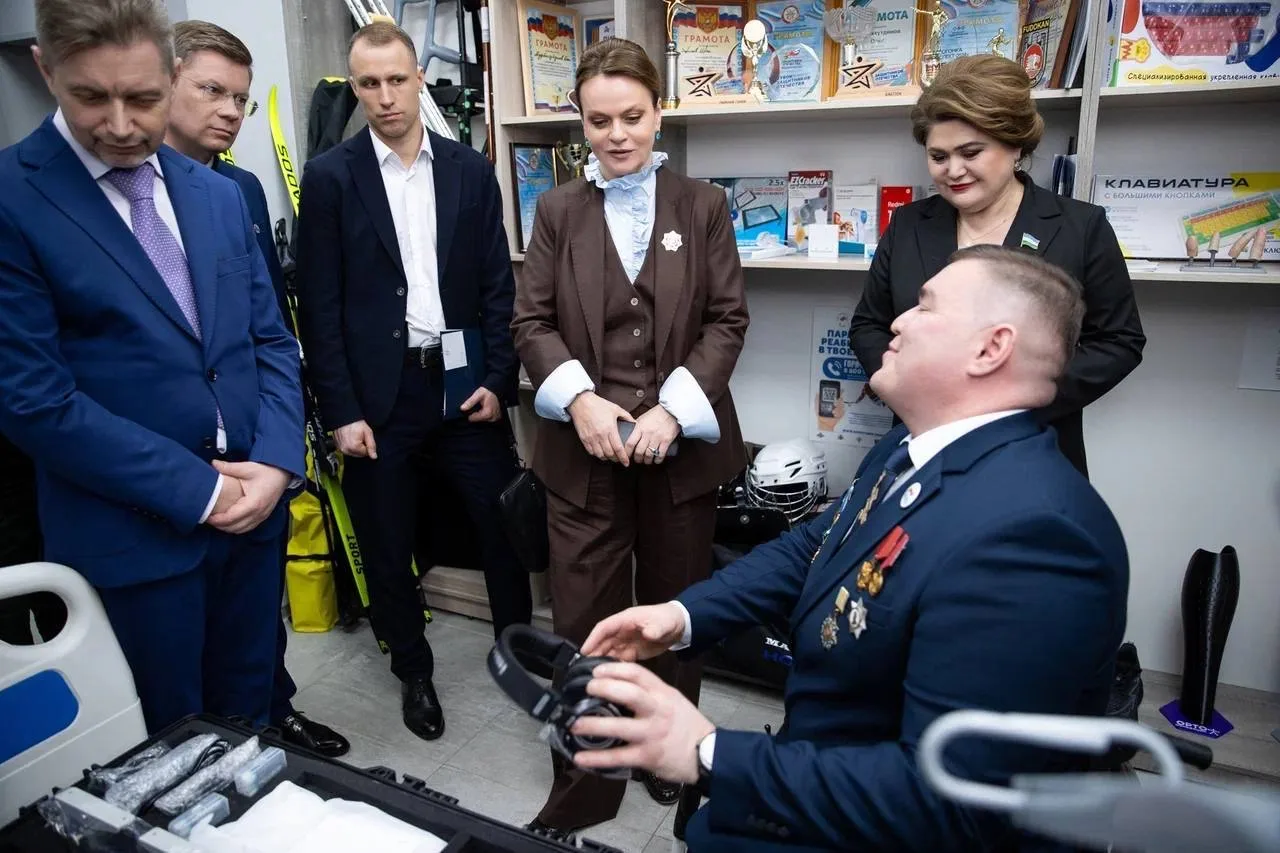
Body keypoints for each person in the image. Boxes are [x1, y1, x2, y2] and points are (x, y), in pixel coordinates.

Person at [573, 247, 1130, 852]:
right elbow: (815, 547)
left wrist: (707, 752)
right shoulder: (907, 450)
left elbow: (952, 805)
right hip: (822, 777)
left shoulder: (1034, 537)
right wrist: (681, 616)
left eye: (925, 307)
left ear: (990, 348)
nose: (898, 320)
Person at [0, 0, 304, 734]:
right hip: (130, 546)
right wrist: (203, 491)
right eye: (90, 96)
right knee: (159, 753)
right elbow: (35, 400)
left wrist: (275, 461)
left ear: (171, 74)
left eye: (142, 97)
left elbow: (269, 340)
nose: (121, 125)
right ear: (45, 69)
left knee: (252, 729)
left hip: (253, 529)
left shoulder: (218, 194)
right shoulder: (12, 198)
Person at [511, 37, 750, 832]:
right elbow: (531, 322)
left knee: (676, 615)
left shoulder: (703, 205)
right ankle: (585, 778)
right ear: (581, 123)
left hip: (679, 455)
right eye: (599, 120)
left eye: (632, 116)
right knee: (582, 621)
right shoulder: (556, 211)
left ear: (659, 114)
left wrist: (671, 410)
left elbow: (726, 320)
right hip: (582, 459)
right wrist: (579, 400)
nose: (616, 135)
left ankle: (668, 755)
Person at [294, 21, 528, 743]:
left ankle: (519, 650)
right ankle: (413, 669)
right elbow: (319, 306)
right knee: (387, 540)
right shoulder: (331, 179)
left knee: (502, 523)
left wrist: (500, 378)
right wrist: (340, 410)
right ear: (355, 88)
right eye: (369, 84)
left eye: (397, 79)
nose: (386, 96)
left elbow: (497, 284)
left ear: (419, 78)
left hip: (462, 383)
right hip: (377, 397)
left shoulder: (468, 169)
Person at [164, 19, 348, 758]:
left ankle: (274, 715)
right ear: (165, 80)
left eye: (240, 98)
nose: (231, 111)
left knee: (256, 618)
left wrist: (281, 449)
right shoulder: (113, 196)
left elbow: (271, 330)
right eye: (212, 90)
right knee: (181, 653)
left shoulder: (238, 189)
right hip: (173, 463)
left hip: (255, 453)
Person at [849, 54, 1145, 478]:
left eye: (971, 152)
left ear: (1016, 145)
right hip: (921, 445)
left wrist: (1013, 402)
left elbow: (1119, 341)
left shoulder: (1080, 227)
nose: (953, 171)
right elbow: (869, 325)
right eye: (938, 156)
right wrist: (907, 387)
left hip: (1032, 447)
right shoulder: (909, 224)